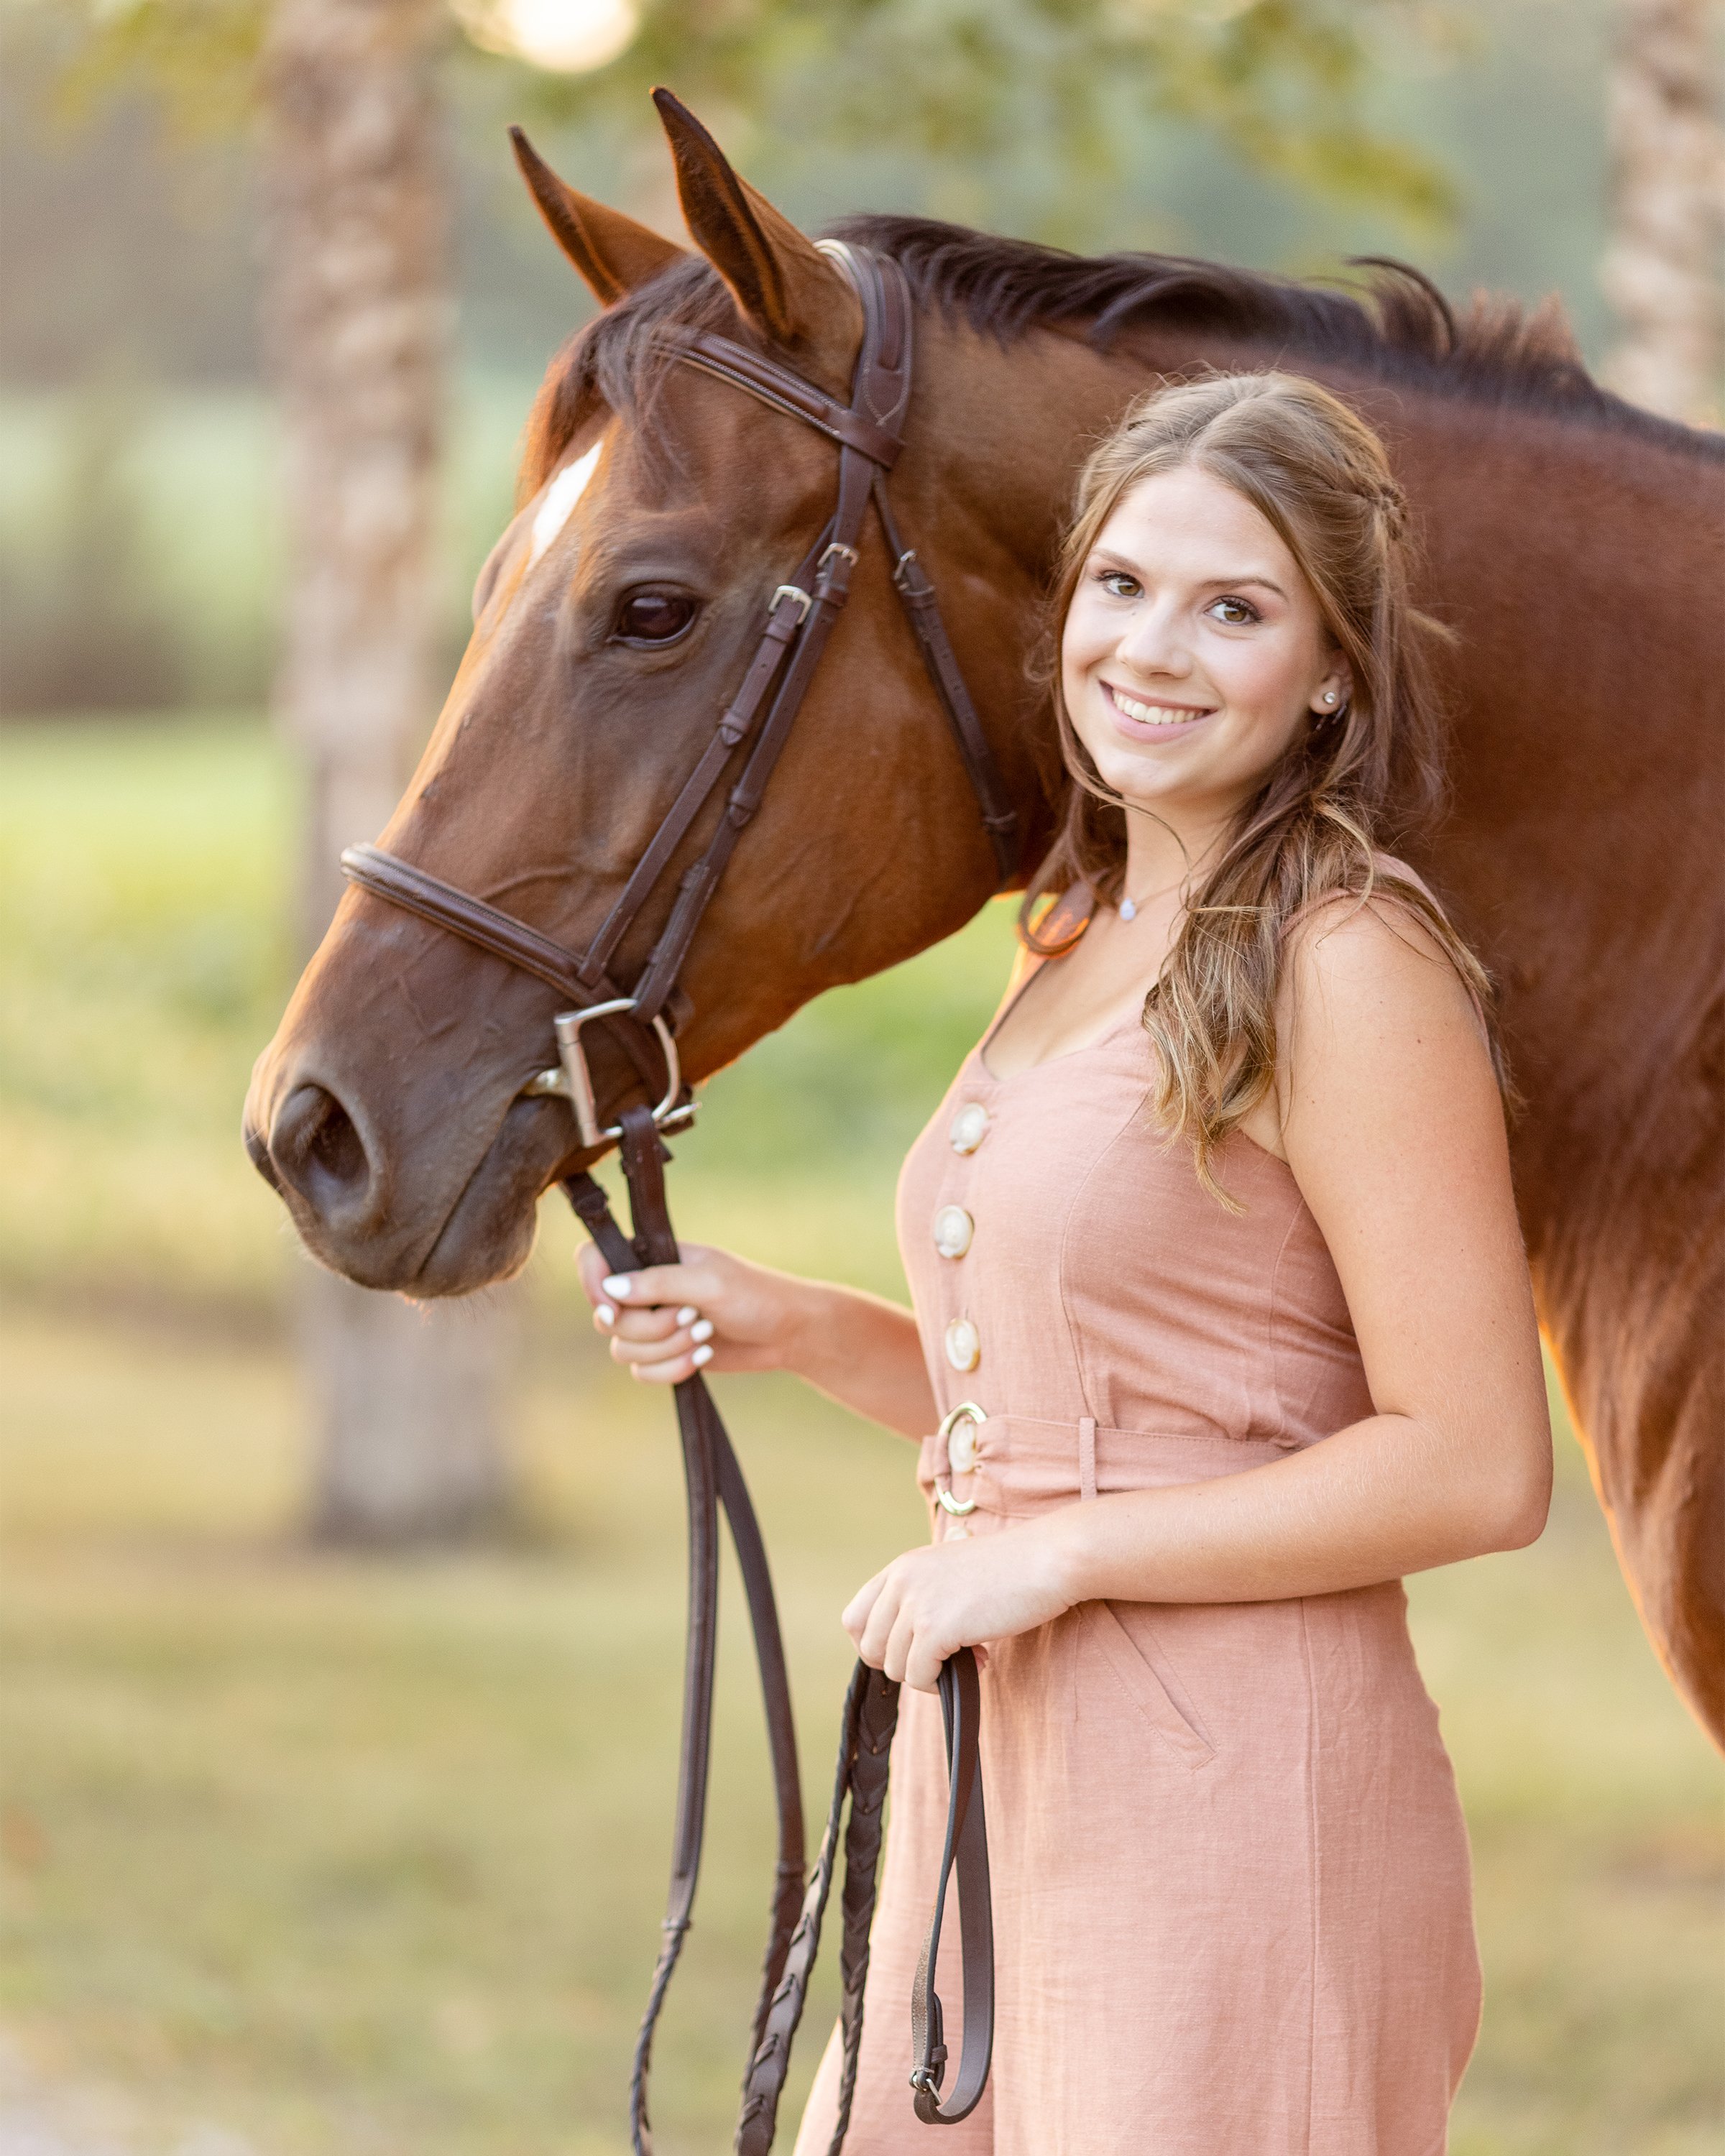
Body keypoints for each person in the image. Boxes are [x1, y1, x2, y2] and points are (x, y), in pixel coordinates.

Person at [577, 372, 1552, 2153]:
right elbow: (1076, 1408)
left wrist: (1055, 1561)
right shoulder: (1086, 932)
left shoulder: (1347, 962)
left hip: (1236, 1789)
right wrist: (792, 1325)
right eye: (1122, 586)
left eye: (1234, 609)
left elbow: (1478, 1464)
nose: (1153, 650)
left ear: (1331, 670)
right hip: (998, 1753)